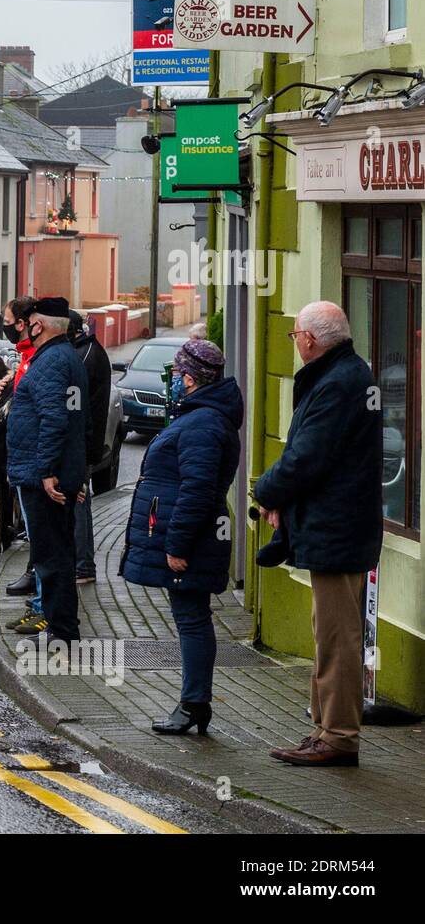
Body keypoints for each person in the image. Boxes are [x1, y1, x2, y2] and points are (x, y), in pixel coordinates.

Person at [256, 301, 382, 767]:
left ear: (309, 339)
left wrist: (266, 491)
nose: (295, 344)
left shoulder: (338, 383)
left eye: (295, 337)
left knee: (337, 638)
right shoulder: (347, 374)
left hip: (338, 531)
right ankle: (325, 729)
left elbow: (306, 457)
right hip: (338, 527)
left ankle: (339, 736)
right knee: (328, 634)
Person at [121, 340, 242, 735]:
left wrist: (177, 545)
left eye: (175, 374)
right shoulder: (202, 416)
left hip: (193, 540)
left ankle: (193, 705)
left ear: (189, 379)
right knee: (191, 618)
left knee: (192, 620)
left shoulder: (204, 423)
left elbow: (198, 490)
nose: (172, 381)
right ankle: (194, 703)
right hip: (194, 536)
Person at [6, 296, 88, 646]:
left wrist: (48, 472)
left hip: (43, 480)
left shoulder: (53, 360)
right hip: (52, 473)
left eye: (32, 320)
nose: (27, 326)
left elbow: (54, 419)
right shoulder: (63, 355)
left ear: (40, 325)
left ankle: (60, 632)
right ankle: (61, 629)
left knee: (51, 558)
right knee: (56, 556)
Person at [0, 296, 42, 610]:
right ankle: (37, 590)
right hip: (23, 458)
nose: (6, 328)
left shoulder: (38, 357)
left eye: (9, 323)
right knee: (35, 531)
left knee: (41, 533)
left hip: (33, 461)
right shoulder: (25, 356)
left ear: (23, 324)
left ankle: (43, 603)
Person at [69, 310, 112, 585]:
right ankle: (83, 565)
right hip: (86, 443)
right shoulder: (89, 351)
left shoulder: (85, 356)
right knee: (79, 501)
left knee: (79, 502)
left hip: (83, 445)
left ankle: (84, 566)